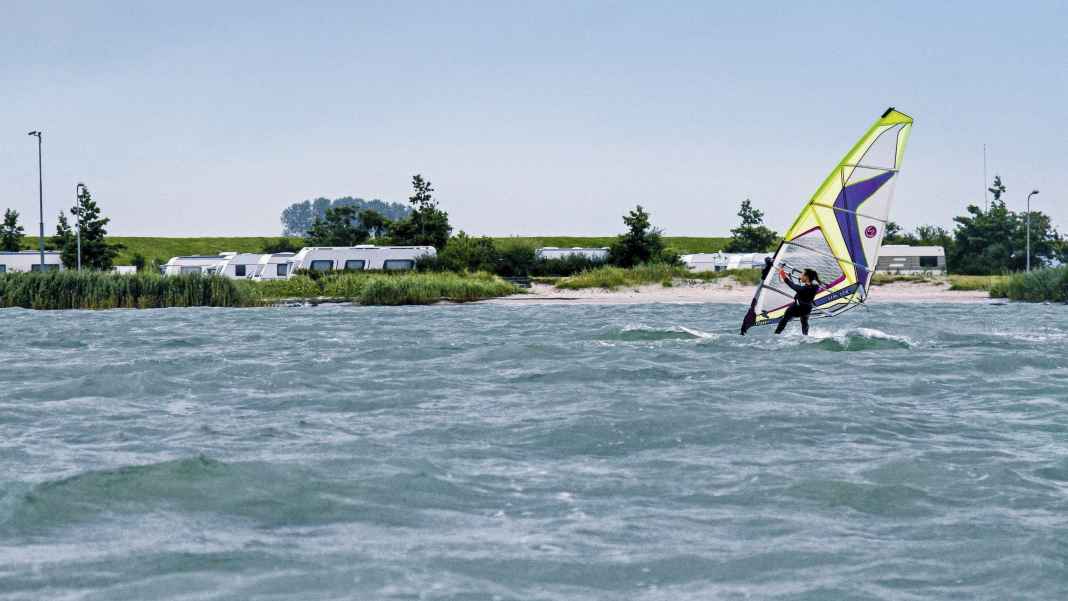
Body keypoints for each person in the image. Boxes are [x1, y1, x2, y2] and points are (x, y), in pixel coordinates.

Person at [774, 268, 820, 335]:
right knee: (804, 321)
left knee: (785, 319)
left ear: (806, 277)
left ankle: (777, 333)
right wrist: (789, 276)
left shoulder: (803, 289)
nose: (800, 276)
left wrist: (783, 274)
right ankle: (805, 335)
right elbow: (802, 286)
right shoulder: (816, 287)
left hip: (797, 308)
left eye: (801, 274)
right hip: (807, 309)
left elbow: (792, 285)